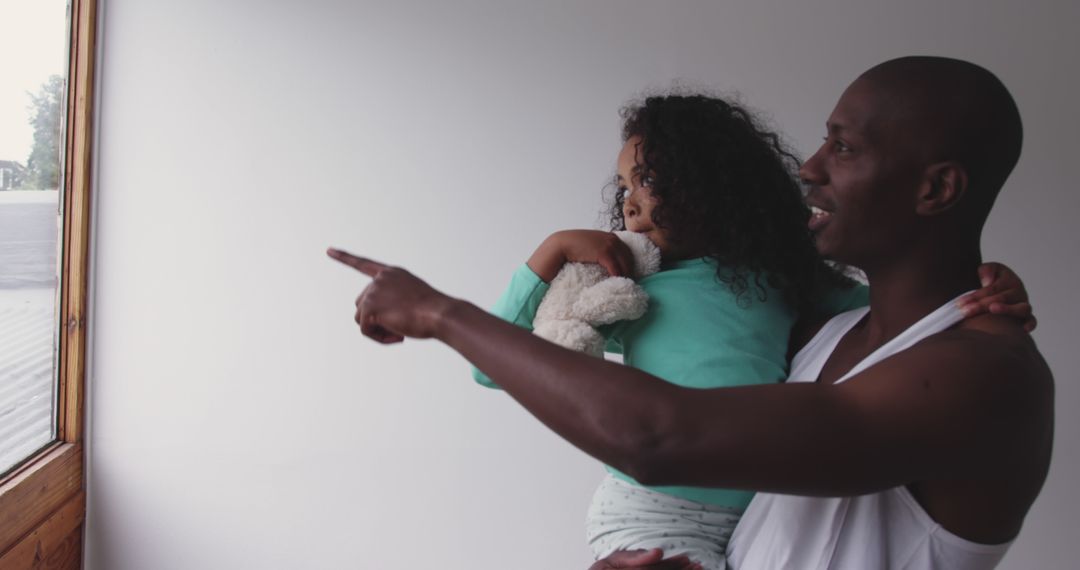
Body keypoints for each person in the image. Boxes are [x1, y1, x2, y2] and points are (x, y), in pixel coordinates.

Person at [329, 55, 1053, 570]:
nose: (809, 166)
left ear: (937, 190)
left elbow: (661, 438)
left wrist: (438, 312)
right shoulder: (826, 330)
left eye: (844, 146)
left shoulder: (986, 377)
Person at [474, 94, 874, 569]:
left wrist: (979, 285)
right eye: (623, 187)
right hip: (650, 511)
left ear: (710, 183)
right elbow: (492, 366)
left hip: (756, 515)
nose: (628, 203)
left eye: (646, 180)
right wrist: (552, 251)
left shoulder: (784, 277)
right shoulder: (629, 289)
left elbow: (899, 312)